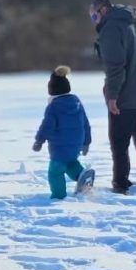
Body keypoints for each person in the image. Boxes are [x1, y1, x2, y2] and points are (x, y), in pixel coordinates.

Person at [90, 0, 136, 193]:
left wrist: (112, 96)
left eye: (94, 15)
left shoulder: (110, 29)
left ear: (104, 10)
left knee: (119, 140)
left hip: (126, 94)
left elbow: (115, 67)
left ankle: (121, 183)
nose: (94, 20)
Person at [33, 66, 92, 199]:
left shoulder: (54, 106)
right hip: (76, 143)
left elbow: (47, 126)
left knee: (55, 172)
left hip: (60, 146)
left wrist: (39, 140)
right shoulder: (76, 101)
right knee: (70, 162)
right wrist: (86, 141)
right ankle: (81, 177)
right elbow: (85, 122)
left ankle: (58, 196)